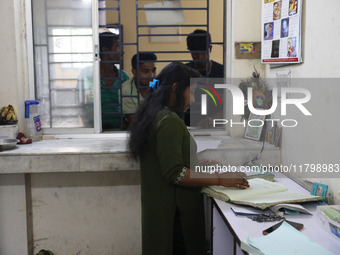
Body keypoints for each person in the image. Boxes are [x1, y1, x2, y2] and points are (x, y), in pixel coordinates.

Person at [129, 62, 249, 255]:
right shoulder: (169, 121)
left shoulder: (154, 114)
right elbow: (175, 174)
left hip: (162, 210)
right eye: (191, 93)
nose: (192, 100)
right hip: (175, 215)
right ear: (176, 88)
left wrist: (193, 162)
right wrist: (221, 179)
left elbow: (165, 159)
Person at [77, 32, 129, 129]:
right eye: (118, 48)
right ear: (105, 50)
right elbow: (79, 103)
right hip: (94, 130)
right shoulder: (87, 75)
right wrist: (88, 125)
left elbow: (129, 103)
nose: (122, 52)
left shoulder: (124, 76)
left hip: (119, 130)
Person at [185, 30, 224, 127]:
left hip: (217, 130)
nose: (199, 57)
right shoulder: (184, 71)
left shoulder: (223, 72)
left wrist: (213, 119)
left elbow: (231, 105)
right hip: (189, 128)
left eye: (203, 52)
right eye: (195, 53)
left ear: (210, 49)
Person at [120, 52, 157, 129]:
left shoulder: (157, 85)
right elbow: (134, 122)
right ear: (134, 72)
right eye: (146, 71)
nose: (152, 76)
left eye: (153, 71)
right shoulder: (126, 90)